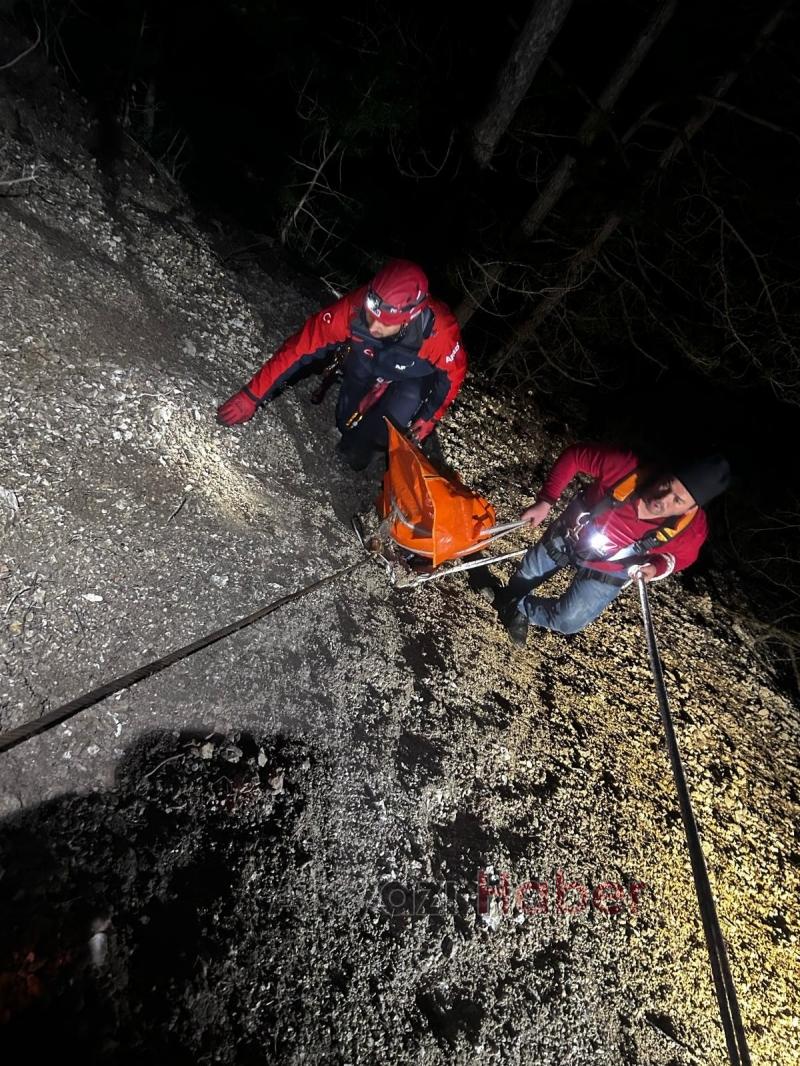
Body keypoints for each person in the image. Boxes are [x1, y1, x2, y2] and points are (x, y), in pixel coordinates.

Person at [216, 259, 467, 470]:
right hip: (367, 359)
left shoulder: (440, 335)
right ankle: (353, 418)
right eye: (372, 316)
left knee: (371, 441)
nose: (374, 326)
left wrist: (430, 417)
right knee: (345, 420)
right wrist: (251, 395)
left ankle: (363, 454)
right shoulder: (350, 311)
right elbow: (298, 349)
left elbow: (452, 375)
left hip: (410, 375)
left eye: (386, 323)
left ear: (409, 318)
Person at [492, 443, 731, 646]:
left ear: (692, 508)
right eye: (666, 484)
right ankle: (510, 598)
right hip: (571, 533)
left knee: (569, 620)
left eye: (677, 500)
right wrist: (546, 501)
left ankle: (518, 608)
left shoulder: (692, 530)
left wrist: (654, 569)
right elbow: (576, 456)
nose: (662, 499)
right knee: (528, 573)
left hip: (612, 566)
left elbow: (681, 558)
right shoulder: (627, 468)